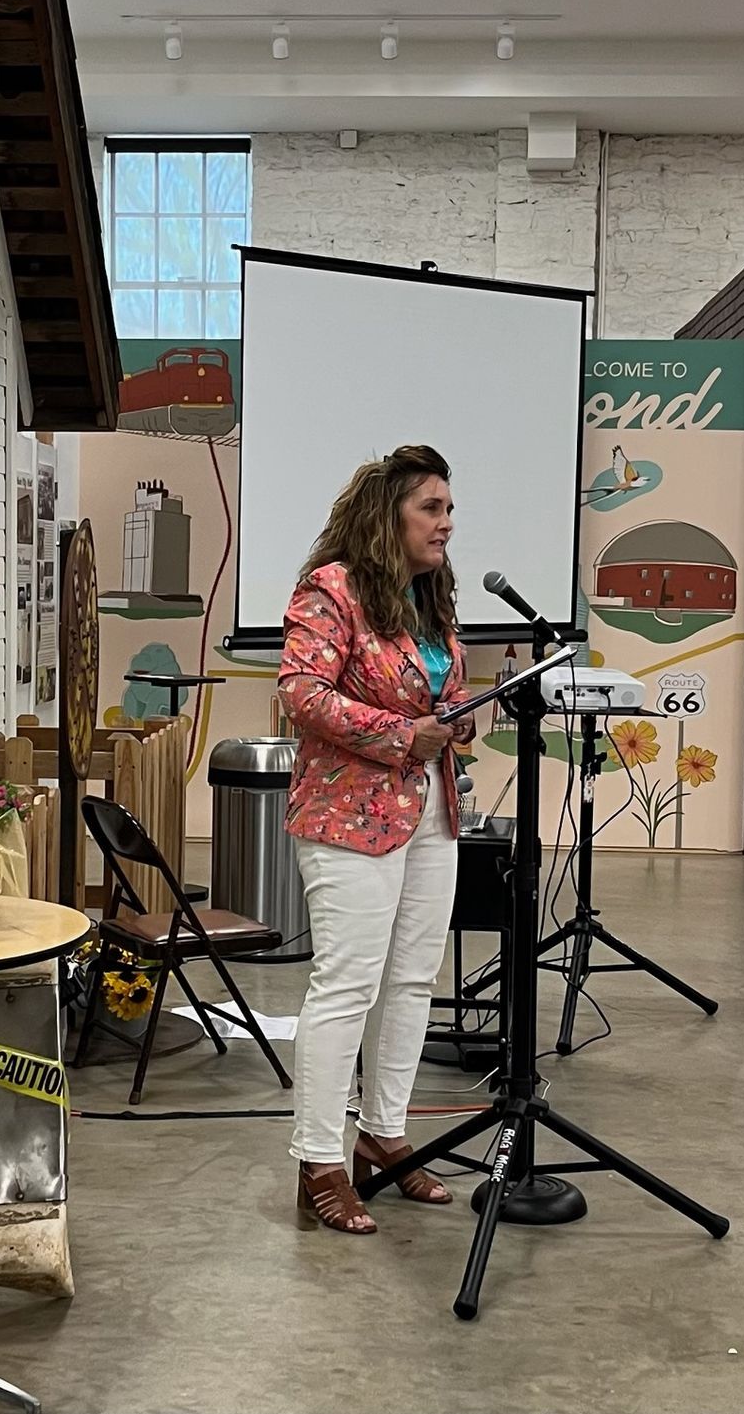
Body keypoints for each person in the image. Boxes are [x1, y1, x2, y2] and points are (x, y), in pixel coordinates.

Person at [279, 444, 473, 1235]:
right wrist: (402, 733)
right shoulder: (333, 590)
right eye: (432, 508)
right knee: (347, 982)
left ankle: (383, 1138)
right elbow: (299, 691)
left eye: (451, 510)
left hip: (431, 812)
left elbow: (443, 686)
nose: (447, 524)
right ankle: (319, 1159)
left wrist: (460, 713)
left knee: (411, 980)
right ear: (387, 512)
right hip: (348, 814)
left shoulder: (427, 597)